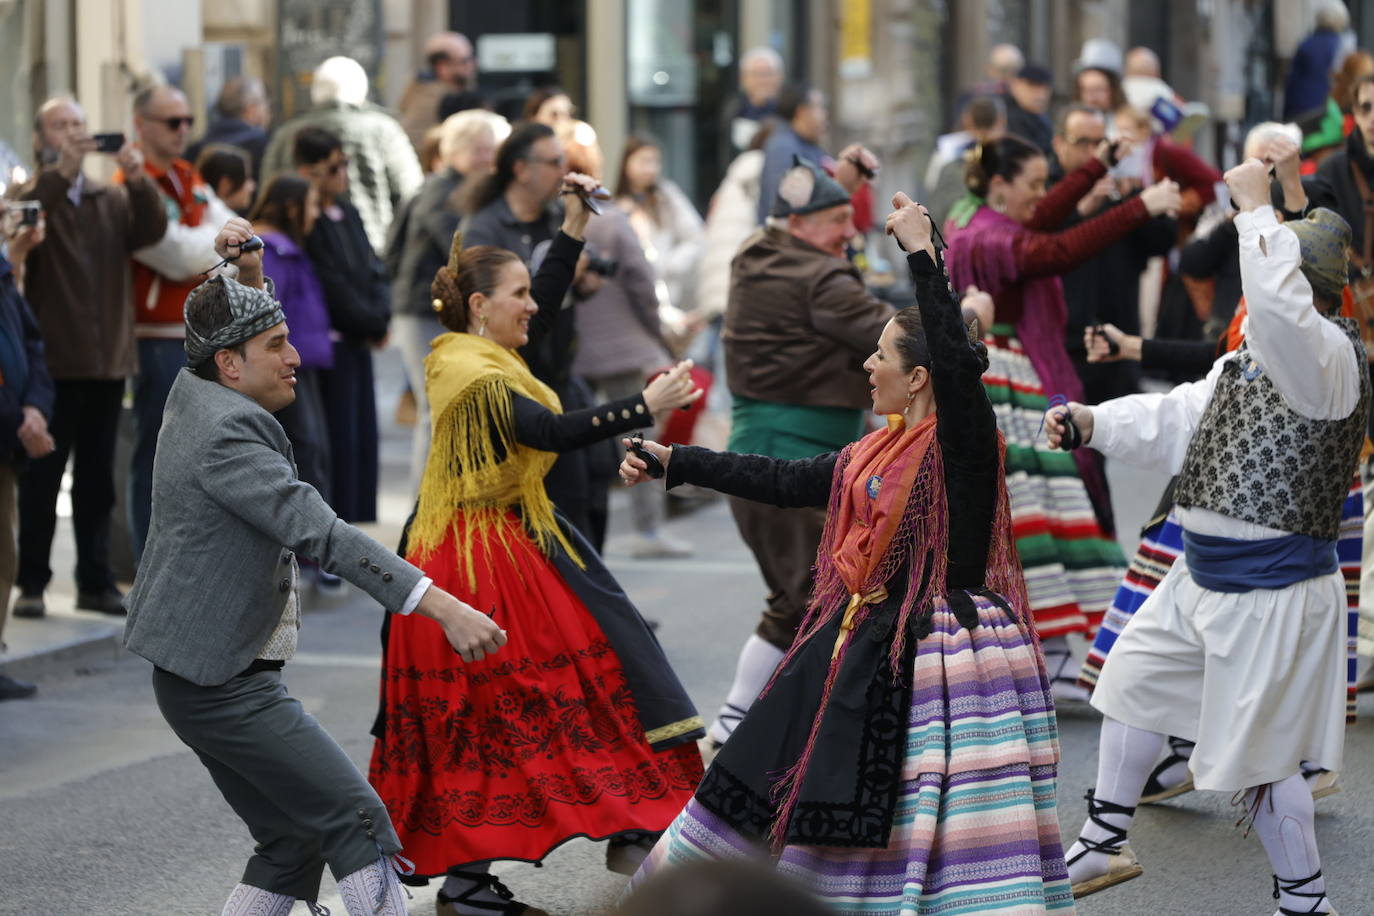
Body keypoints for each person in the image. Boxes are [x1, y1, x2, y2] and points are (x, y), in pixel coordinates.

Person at [623, 193, 1074, 913]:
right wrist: (675, 459)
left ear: (919, 376)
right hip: (860, 638)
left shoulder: (962, 445)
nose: (867, 364)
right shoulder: (875, 447)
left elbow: (960, 369)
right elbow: (781, 478)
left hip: (939, 653)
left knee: (914, 810)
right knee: (765, 765)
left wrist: (925, 254)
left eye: (880, 354)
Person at [124, 216, 507, 916]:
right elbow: (323, 534)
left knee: (289, 841)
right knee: (355, 818)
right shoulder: (225, 435)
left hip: (199, 675)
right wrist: (445, 607)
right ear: (232, 367)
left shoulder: (201, 388)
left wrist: (245, 277)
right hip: (220, 685)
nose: (297, 356)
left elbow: (216, 326)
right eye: (278, 345)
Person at [367, 179, 706, 914]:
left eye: (529, 292)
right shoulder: (464, 367)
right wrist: (640, 409)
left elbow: (544, 304)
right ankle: (483, 879)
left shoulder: (485, 347)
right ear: (480, 307)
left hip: (516, 537)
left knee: (593, 676)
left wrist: (574, 225)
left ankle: (635, 826)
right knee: (511, 708)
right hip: (472, 557)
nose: (532, 305)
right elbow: (546, 432)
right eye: (514, 294)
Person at [1048, 161, 1364, 916]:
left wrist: (1256, 209)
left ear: (1299, 288)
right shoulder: (1250, 358)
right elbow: (1177, 418)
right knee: (1131, 681)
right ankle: (1102, 839)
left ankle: (1305, 900)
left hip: (1274, 595)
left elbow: (1282, 314)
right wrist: (1092, 424)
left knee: (1262, 760)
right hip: (1204, 579)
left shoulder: (1327, 359)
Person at [943, 134, 1181, 700]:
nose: (1042, 196)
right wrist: (1137, 208)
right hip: (1000, 382)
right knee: (1034, 516)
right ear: (999, 185)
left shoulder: (981, 218)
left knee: (1046, 514)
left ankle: (1048, 647)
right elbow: (1052, 251)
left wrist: (1099, 162)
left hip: (1013, 380)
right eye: (1032, 184)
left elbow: (1041, 220)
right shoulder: (985, 234)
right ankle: (1042, 647)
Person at [700, 156, 891, 757]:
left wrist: (843, 185)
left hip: (779, 451)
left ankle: (736, 725)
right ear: (804, 225)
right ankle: (777, 739)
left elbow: (802, 213)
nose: (849, 231)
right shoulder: (821, 279)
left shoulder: (758, 251)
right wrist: (963, 316)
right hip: (787, 458)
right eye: (838, 220)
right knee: (817, 597)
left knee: (803, 598)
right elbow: (894, 337)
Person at [10, 95, 167, 620]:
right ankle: (32, 582)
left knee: (97, 483)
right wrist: (61, 172)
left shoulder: (110, 197)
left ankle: (95, 581)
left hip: (106, 360)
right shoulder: (31, 192)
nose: (75, 134)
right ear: (41, 139)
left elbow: (152, 232)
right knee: (42, 479)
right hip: (51, 364)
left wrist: (139, 178)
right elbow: (19, 224)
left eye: (80, 125)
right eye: (61, 126)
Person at [119, 84, 238, 558]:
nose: (183, 129)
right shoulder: (132, 184)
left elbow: (234, 231)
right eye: (172, 122)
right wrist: (210, 243)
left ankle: (186, 556)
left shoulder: (189, 175)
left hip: (198, 332)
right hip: (154, 336)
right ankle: (149, 560)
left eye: (188, 119)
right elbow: (170, 254)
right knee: (154, 454)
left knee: (200, 453)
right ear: (141, 125)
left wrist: (206, 242)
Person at [559, 121, 686, 559]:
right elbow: (642, 283)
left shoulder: (553, 225)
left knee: (572, 444)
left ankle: (575, 536)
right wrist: (657, 331)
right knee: (637, 437)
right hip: (621, 348)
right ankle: (648, 531)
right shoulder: (613, 221)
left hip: (571, 354)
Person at [386, 109, 507, 492]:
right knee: (437, 410)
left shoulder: (450, 187)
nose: (492, 160)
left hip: (429, 310)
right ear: (460, 151)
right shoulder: (445, 191)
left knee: (442, 408)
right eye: (485, 150)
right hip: (425, 312)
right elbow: (462, 252)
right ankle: (424, 512)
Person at [293, 127, 390, 530]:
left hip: (360, 338)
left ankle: (358, 523)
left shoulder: (348, 212)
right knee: (338, 440)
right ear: (309, 171)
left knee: (363, 438)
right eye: (334, 166)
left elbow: (372, 266)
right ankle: (338, 525)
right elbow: (331, 282)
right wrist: (366, 320)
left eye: (345, 164)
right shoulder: (310, 222)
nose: (343, 174)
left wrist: (380, 315)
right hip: (333, 344)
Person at [1053, 105, 1176, 405]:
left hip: (1119, 341)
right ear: (1059, 144)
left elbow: (1159, 242)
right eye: (1083, 142)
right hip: (1067, 345)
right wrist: (1081, 210)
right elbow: (1046, 243)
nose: (1095, 153)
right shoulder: (1046, 191)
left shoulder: (1118, 190)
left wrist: (1137, 195)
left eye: (1100, 144)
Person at [262, 56, 423, 253]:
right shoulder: (385, 130)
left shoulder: (285, 135)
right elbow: (411, 193)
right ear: (362, 90)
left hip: (299, 249)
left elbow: (268, 192)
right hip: (373, 248)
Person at [249, 176, 335, 534]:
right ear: (290, 207)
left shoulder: (285, 248)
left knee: (310, 447)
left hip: (302, 361)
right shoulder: (273, 250)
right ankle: (310, 547)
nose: (315, 215)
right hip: (284, 365)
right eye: (311, 205)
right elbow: (269, 311)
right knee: (305, 448)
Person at [0, 225, 55, 701]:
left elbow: (34, 346)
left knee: (4, 553)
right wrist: (20, 418)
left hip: (10, 433)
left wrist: (35, 408)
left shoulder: (3, 274)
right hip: (8, 425)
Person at [614, 136, 705, 317]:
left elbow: (696, 236)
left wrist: (669, 265)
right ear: (627, 162)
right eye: (644, 161)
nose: (650, 169)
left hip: (669, 295)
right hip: (631, 297)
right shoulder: (616, 205)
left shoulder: (667, 196)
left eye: (655, 162)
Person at [925, 96, 1005, 229]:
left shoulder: (944, 158)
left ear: (967, 121)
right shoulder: (1014, 161)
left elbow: (935, 210)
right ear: (1001, 120)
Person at [397, 31, 478, 152]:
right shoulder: (437, 97)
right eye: (464, 60)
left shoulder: (423, 88)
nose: (471, 65)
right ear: (442, 66)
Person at [186, 75, 272, 179]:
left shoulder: (195, 148)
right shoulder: (262, 145)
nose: (268, 110)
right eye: (264, 103)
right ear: (250, 109)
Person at [1284, 2, 1352, 122]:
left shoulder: (1305, 44)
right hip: (1327, 112)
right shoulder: (1342, 46)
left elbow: (1292, 83)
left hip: (1299, 110)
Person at [723, 47, 783, 154]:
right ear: (744, 78)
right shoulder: (734, 107)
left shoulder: (787, 107)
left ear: (779, 77)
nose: (762, 80)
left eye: (768, 74)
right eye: (756, 74)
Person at [1004, 63, 1055, 154]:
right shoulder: (1008, 116)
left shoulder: (1041, 117)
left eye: (1045, 88)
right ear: (1015, 85)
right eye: (1032, 87)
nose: (1041, 95)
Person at [194, 144, 257, 215]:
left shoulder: (195, 209)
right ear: (225, 184)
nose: (252, 186)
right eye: (246, 179)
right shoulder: (224, 220)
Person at [1073, 39, 1126, 114]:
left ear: (1113, 90)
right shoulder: (1072, 121)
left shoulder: (1127, 122)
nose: (1092, 97)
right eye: (1086, 90)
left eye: (1098, 89)